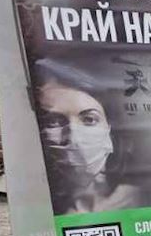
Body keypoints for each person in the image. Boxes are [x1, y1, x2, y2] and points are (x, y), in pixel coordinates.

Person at [33, 61, 138, 216]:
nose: (75, 139)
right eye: (54, 122)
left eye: (89, 119)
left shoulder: (140, 199)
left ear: (109, 129)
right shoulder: (38, 207)